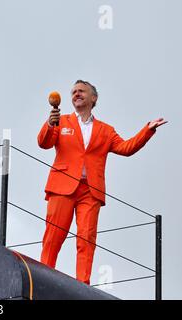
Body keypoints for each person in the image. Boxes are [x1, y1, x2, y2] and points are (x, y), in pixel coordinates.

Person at [37, 80, 166, 284]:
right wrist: (49, 124)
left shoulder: (105, 130)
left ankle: (83, 284)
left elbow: (126, 148)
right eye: (73, 92)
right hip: (62, 186)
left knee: (86, 239)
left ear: (93, 98)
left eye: (81, 91)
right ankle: (43, 277)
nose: (76, 94)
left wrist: (147, 130)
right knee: (54, 236)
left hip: (90, 191)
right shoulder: (60, 121)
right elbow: (44, 143)